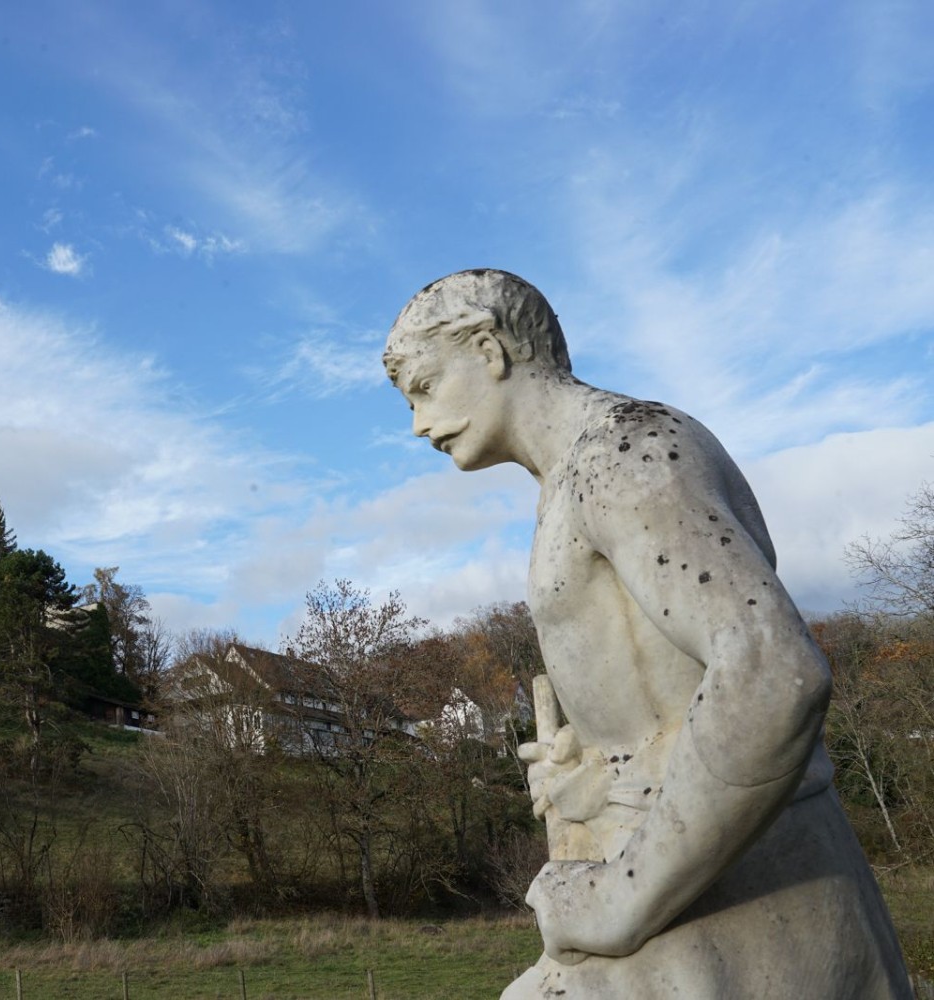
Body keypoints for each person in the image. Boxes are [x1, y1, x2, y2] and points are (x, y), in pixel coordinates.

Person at [384, 270, 910, 998]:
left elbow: (770, 674)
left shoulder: (623, 453)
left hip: (736, 901)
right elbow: (669, 702)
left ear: (487, 348)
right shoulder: (569, 479)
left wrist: (620, 901)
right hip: (700, 902)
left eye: (423, 386)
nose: (418, 423)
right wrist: (595, 772)